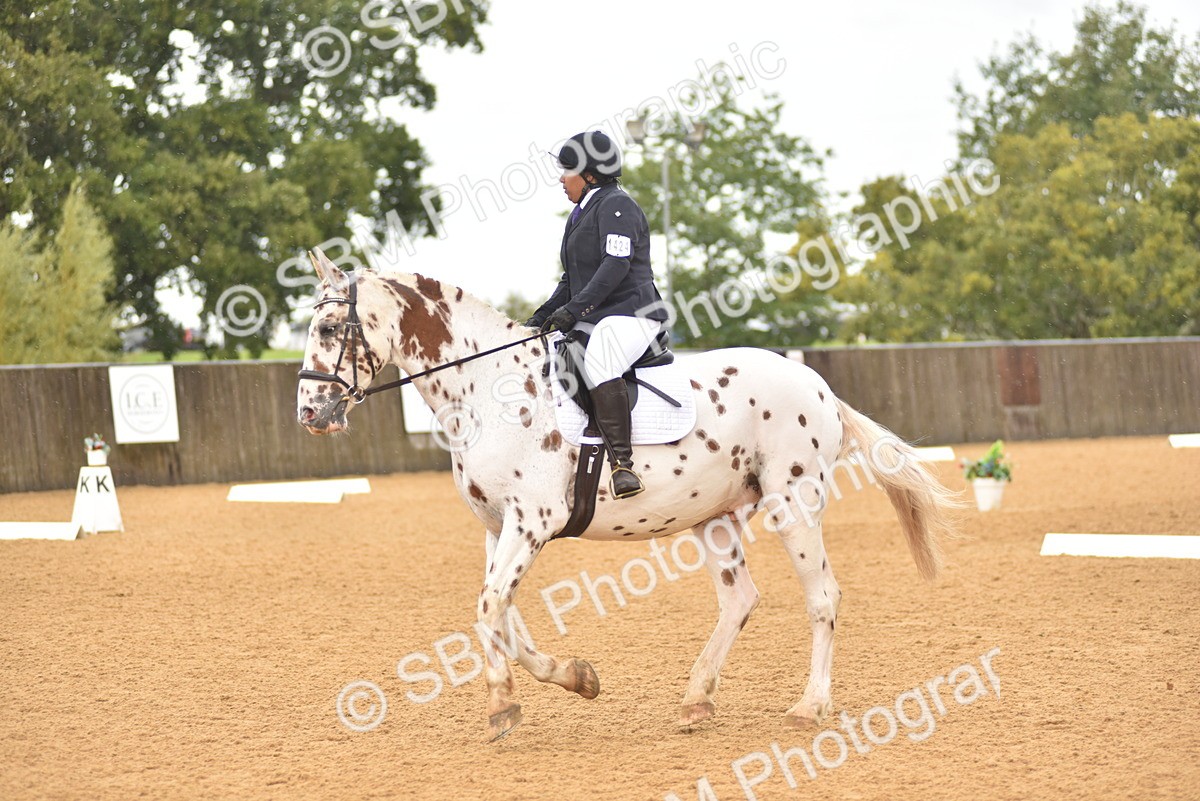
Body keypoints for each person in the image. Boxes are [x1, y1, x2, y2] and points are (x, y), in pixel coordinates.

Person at [526, 130, 670, 500]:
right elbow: (572, 280)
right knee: (551, 349)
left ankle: (623, 464)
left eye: (567, 171)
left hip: (633, 313)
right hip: (599, 314)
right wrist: (541, 318)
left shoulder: (616, 206)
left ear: (590, 174)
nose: (561, 179)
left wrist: (574, 311)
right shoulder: (581, 213)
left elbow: (615, 267)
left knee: (602, 358)